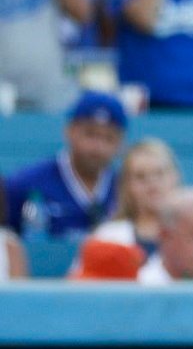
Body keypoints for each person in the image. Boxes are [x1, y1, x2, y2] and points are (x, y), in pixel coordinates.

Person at [86, 138, 193, 271]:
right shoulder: (108, 236)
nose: (152, 184)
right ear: (127, 185)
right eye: (141, 177)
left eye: (159, 173)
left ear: (175, 176)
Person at [4, 91, 125, 239]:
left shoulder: (127, 188)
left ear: (120, 142)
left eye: (108, 138)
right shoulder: (24, 184)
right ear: (70, 131)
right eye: (90, 134)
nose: (97, 147)